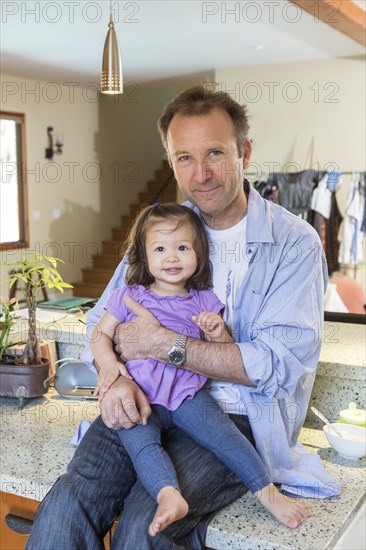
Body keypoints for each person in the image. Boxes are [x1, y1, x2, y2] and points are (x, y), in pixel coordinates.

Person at [26, 86, 340, 550]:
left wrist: (161, 344)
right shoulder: (164, 232)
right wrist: (115, 377)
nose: (202, 173)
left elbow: (276, 367)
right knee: (69, 500)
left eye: (215, 152)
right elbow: (101, 323)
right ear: (172, 163)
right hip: (146, 396)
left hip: (234, 416)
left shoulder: (295, 244)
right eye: (185, 158)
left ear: (245, 152)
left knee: (142, 524)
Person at [91, 202, 306, 537]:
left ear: (198, 253)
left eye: (182, 248)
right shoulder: (129, 295)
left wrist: (218, 331)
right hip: (141, 395)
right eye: (160, 249)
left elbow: (226, 356)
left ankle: (267, 493)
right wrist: (108, 364)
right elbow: (99, 333)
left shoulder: (204, 299)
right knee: (142, 445)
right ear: (144, 257)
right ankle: (169, 495)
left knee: (225, 437)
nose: (172, 257)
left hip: (189, 395)